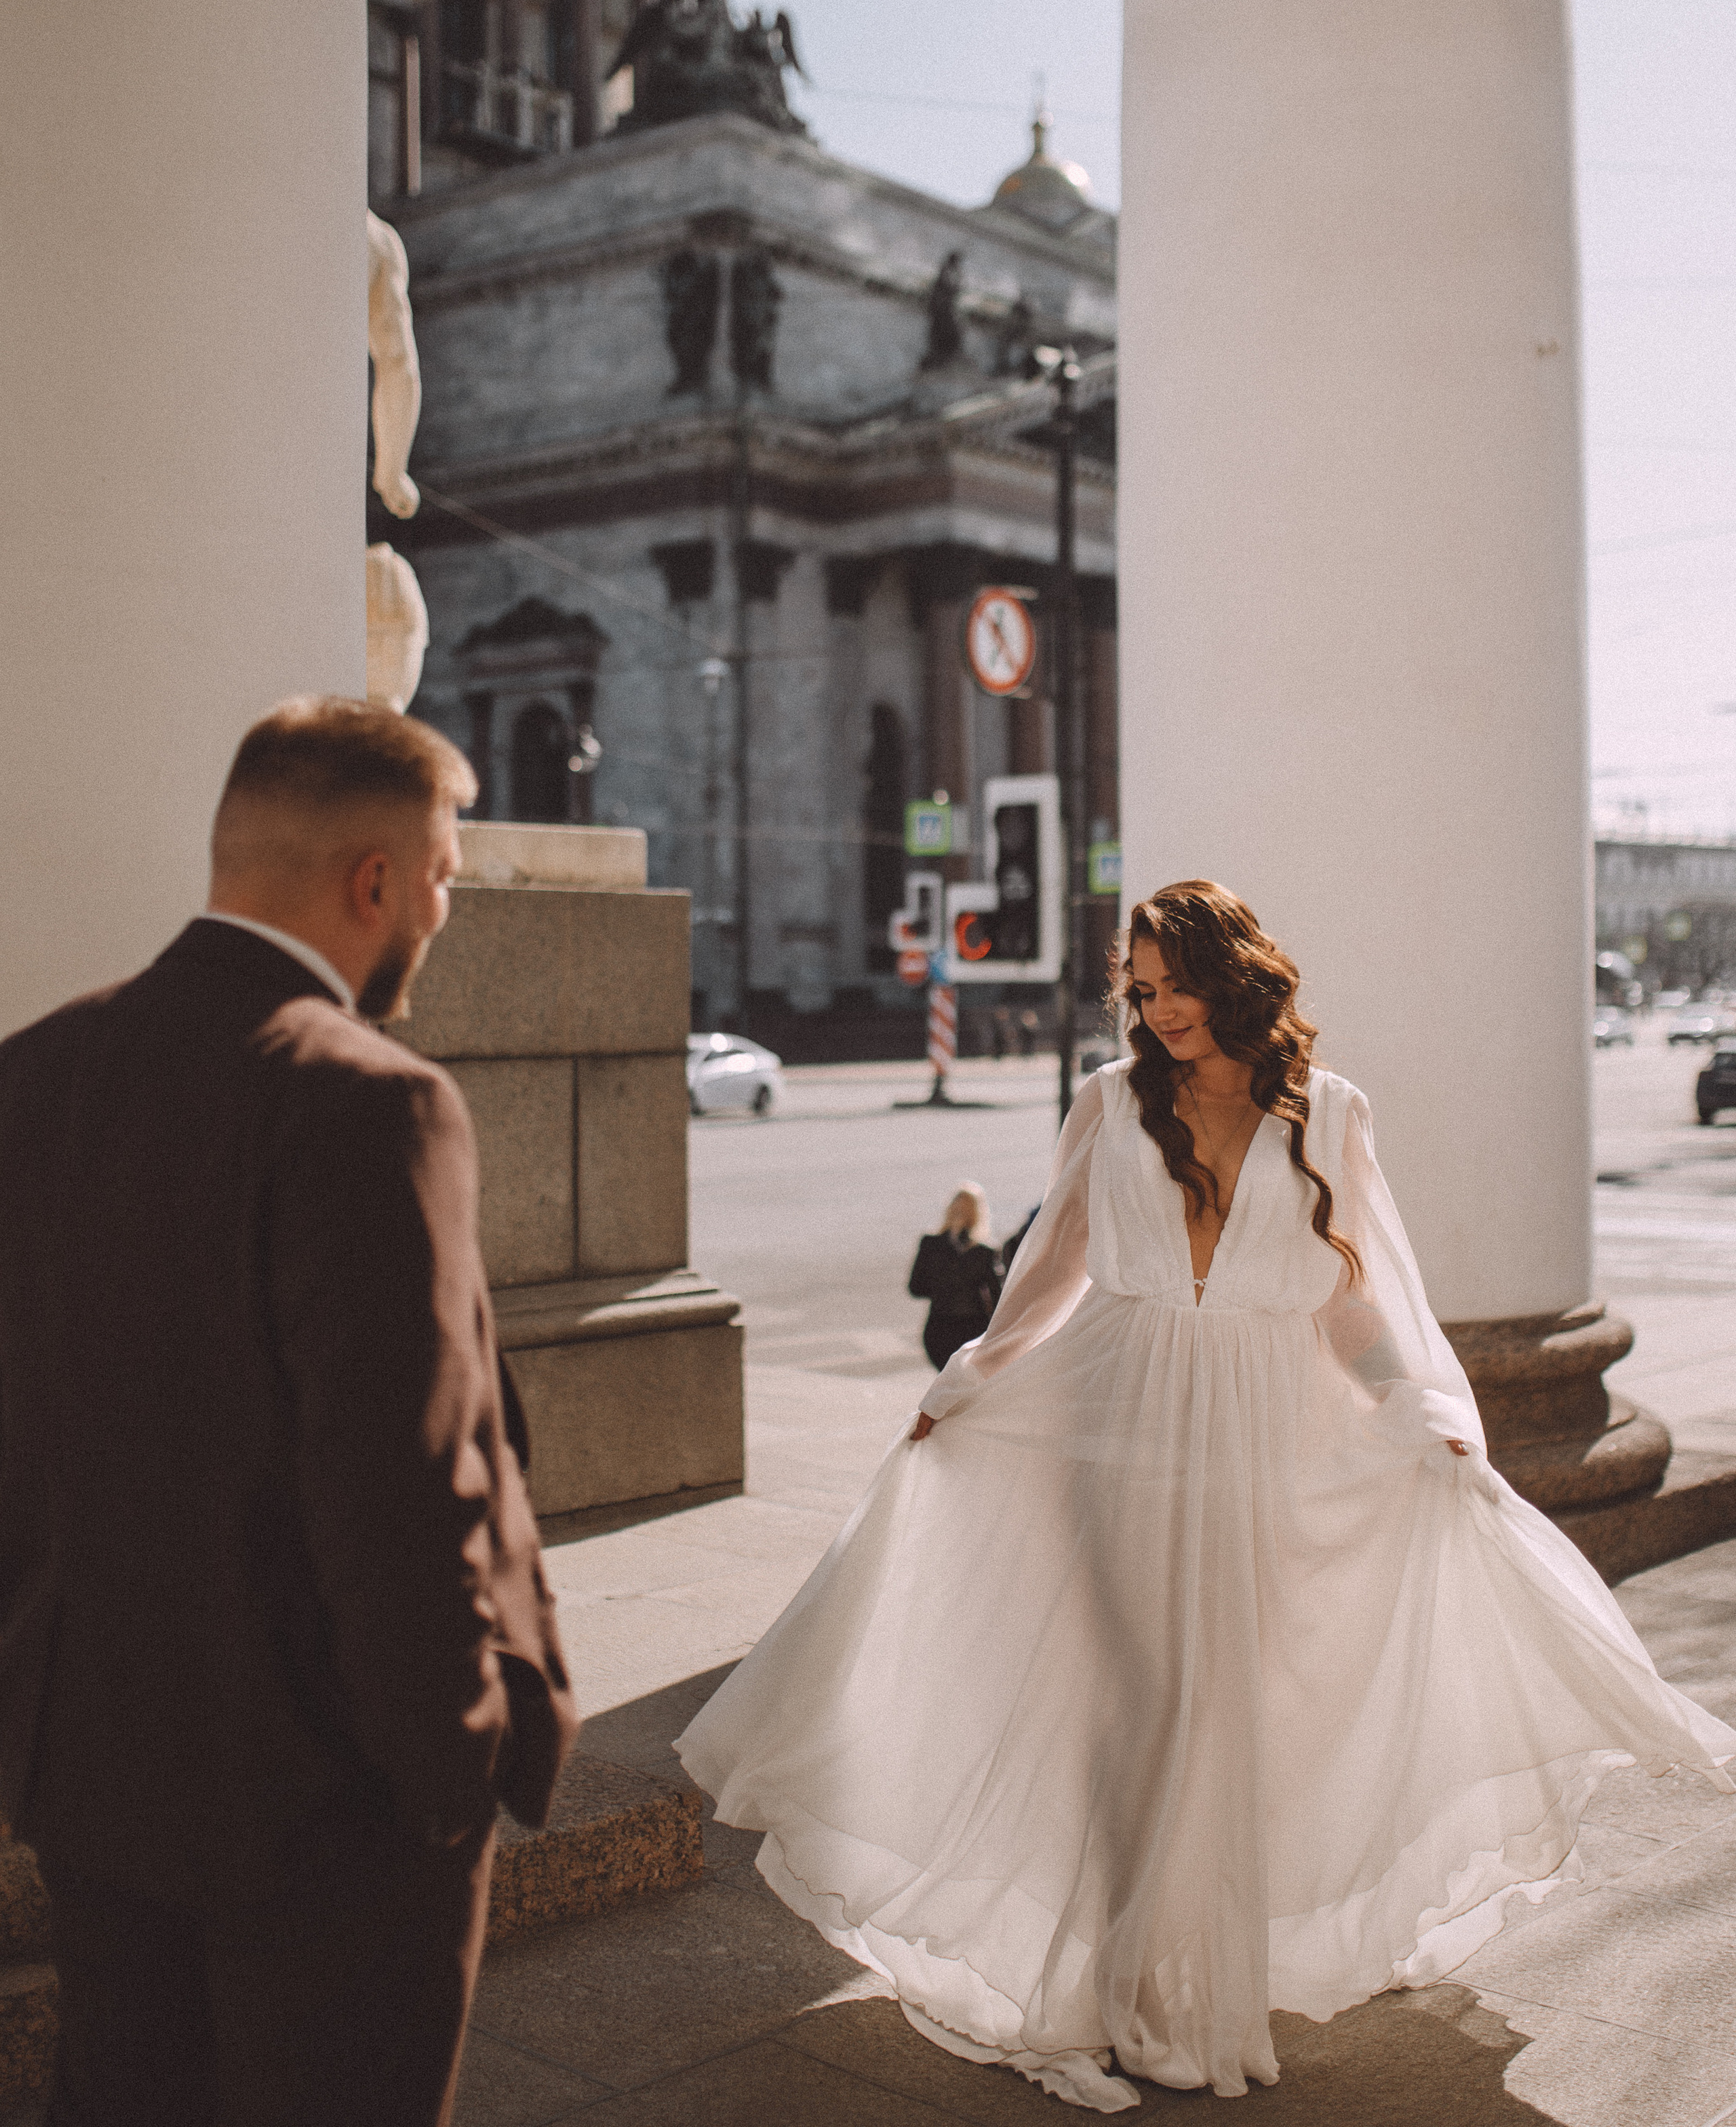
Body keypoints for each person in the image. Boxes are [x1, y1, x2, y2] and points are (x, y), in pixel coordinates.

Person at [679, 881, 1735, 2109]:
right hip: (1113, 1423)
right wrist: (978, 1370)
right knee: (1146, 1705)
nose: (1159, 1008)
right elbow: (1055, 1268)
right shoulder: (1107, 1103)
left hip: (1265, 1435)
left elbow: (1352, 1295)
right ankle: (1136, 1994)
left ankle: (1187, 1980)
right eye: (1141, 987)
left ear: (1235, 976)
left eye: (1175, 982)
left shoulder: (1328, 1114)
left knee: (1221, 1705)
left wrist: (1420, 1405)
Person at [0, 697, 578, 2127]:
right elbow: (404, 1477)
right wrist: (449, 1768)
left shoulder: (34, 1072)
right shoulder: (368, 1101)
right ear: (372, 881)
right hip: (321, 1804)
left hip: (91, 1769)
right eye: (441, 875)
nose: (440, 912)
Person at [907, 1185, 1002, 1370]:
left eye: (966, 1209)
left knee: (966, 1381)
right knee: (950, 1379)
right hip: (941, 1327)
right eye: (957, 1206)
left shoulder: (985, 1251)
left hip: (973, 1327)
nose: (960, 1212)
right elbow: (916, 1287)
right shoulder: (931, 1244)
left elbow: (997, 1294)